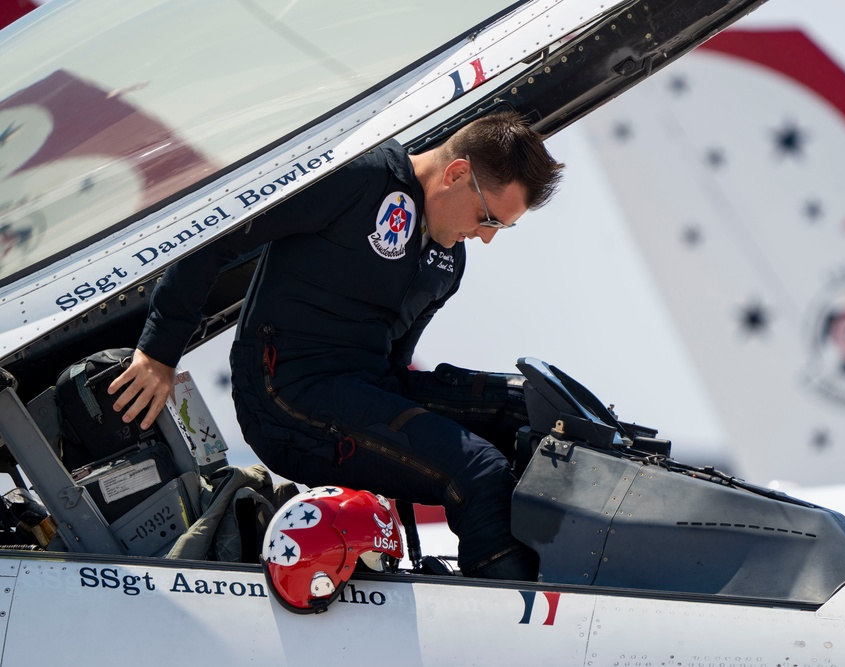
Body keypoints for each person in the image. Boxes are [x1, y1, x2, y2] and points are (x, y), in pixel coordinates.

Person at [109, 111, 564, 580]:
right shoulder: (359, 178)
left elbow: (395, 369)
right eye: (488, 218)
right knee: (479, 471)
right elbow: (215, 233)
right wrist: (159, 352)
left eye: (501, 228)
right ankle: (513, 615)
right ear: (456, 174)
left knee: (532, 414)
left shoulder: (448, 260)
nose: (487, 237)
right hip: (285, 397)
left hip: (364, 389)